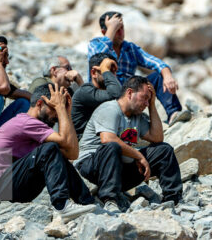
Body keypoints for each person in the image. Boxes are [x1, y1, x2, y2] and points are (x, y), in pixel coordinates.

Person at [0, 84, 96, 222]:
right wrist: (61, 109)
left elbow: (72, 154)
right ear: (40, 104)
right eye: (54, 109)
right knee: (50, 149)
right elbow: (65, 141)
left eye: (60, 110)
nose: (57, 116)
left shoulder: (38, 130)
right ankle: (62, 206)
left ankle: (87, 202)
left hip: (12, 186)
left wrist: (66, 113)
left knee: (57, 155)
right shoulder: (26, 122)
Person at [75, 76, 183, 213]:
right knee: (112, 147)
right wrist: (138, 156)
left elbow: (157, 138)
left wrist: (152, 105)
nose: (145, 102)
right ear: (130, 93)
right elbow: (107, 139)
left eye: (148, 99)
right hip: (93, 165)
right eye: (144, 98)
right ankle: (110, 200)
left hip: (120, 170)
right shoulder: (109, 109)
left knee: (164, 150)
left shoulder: (136, 116)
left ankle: (174, 199)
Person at [87, 11, 189, 125]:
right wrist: (111, 29)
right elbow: (98, 57)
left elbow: (155, 62)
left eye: (122, 28)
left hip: (129, 94)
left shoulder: (130, 48)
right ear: (104, 32)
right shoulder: (95, 44)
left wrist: (167, 76)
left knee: (158, 76)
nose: (120, 33)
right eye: (116, 29)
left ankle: (174, 113)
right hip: (105, 95)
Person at [71, 53, 121, 139]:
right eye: (108, 72)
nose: (112, 77)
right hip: (83, 146)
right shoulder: (85, 91)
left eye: (114, 72)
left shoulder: (108, 91)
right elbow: (116, 95)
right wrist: (105, 69)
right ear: (94, 73)